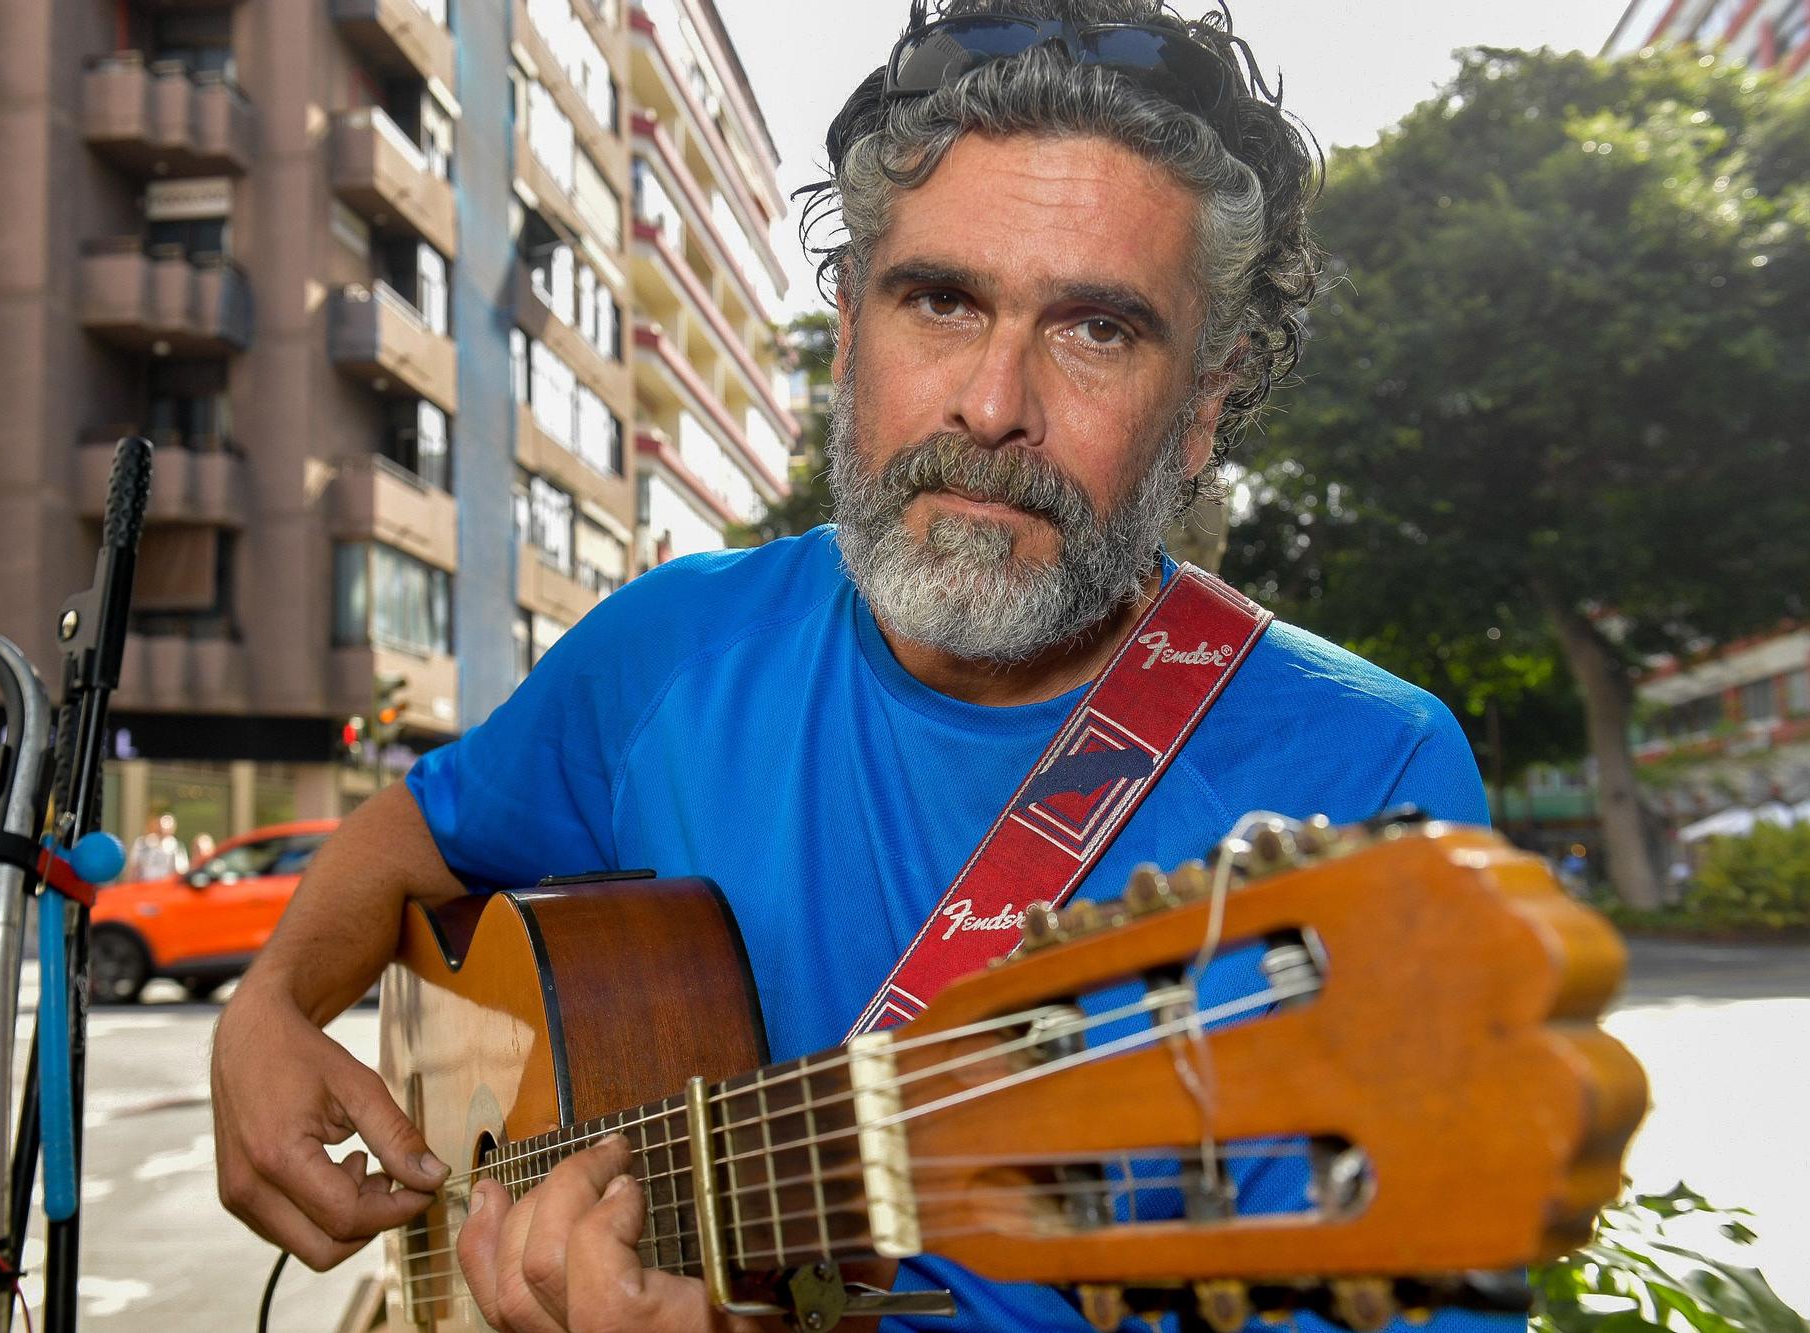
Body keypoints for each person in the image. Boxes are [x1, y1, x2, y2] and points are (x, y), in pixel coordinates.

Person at [211, 3, 1509, 1329]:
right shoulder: (672, 642)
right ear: (848, 330)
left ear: (1207, 407)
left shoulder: (1367, 784)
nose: (993, 402)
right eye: (940, 299)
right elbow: (412, 832)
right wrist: (269, 1006)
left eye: (1097, 329)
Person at [125, 811, 189, 882]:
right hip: (144, 886)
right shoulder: (142, 844)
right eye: (160, 824)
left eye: (167, 825)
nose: (162, 828)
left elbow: (181, 870)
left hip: (166, 887)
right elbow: (134, 867)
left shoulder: (177, 847)